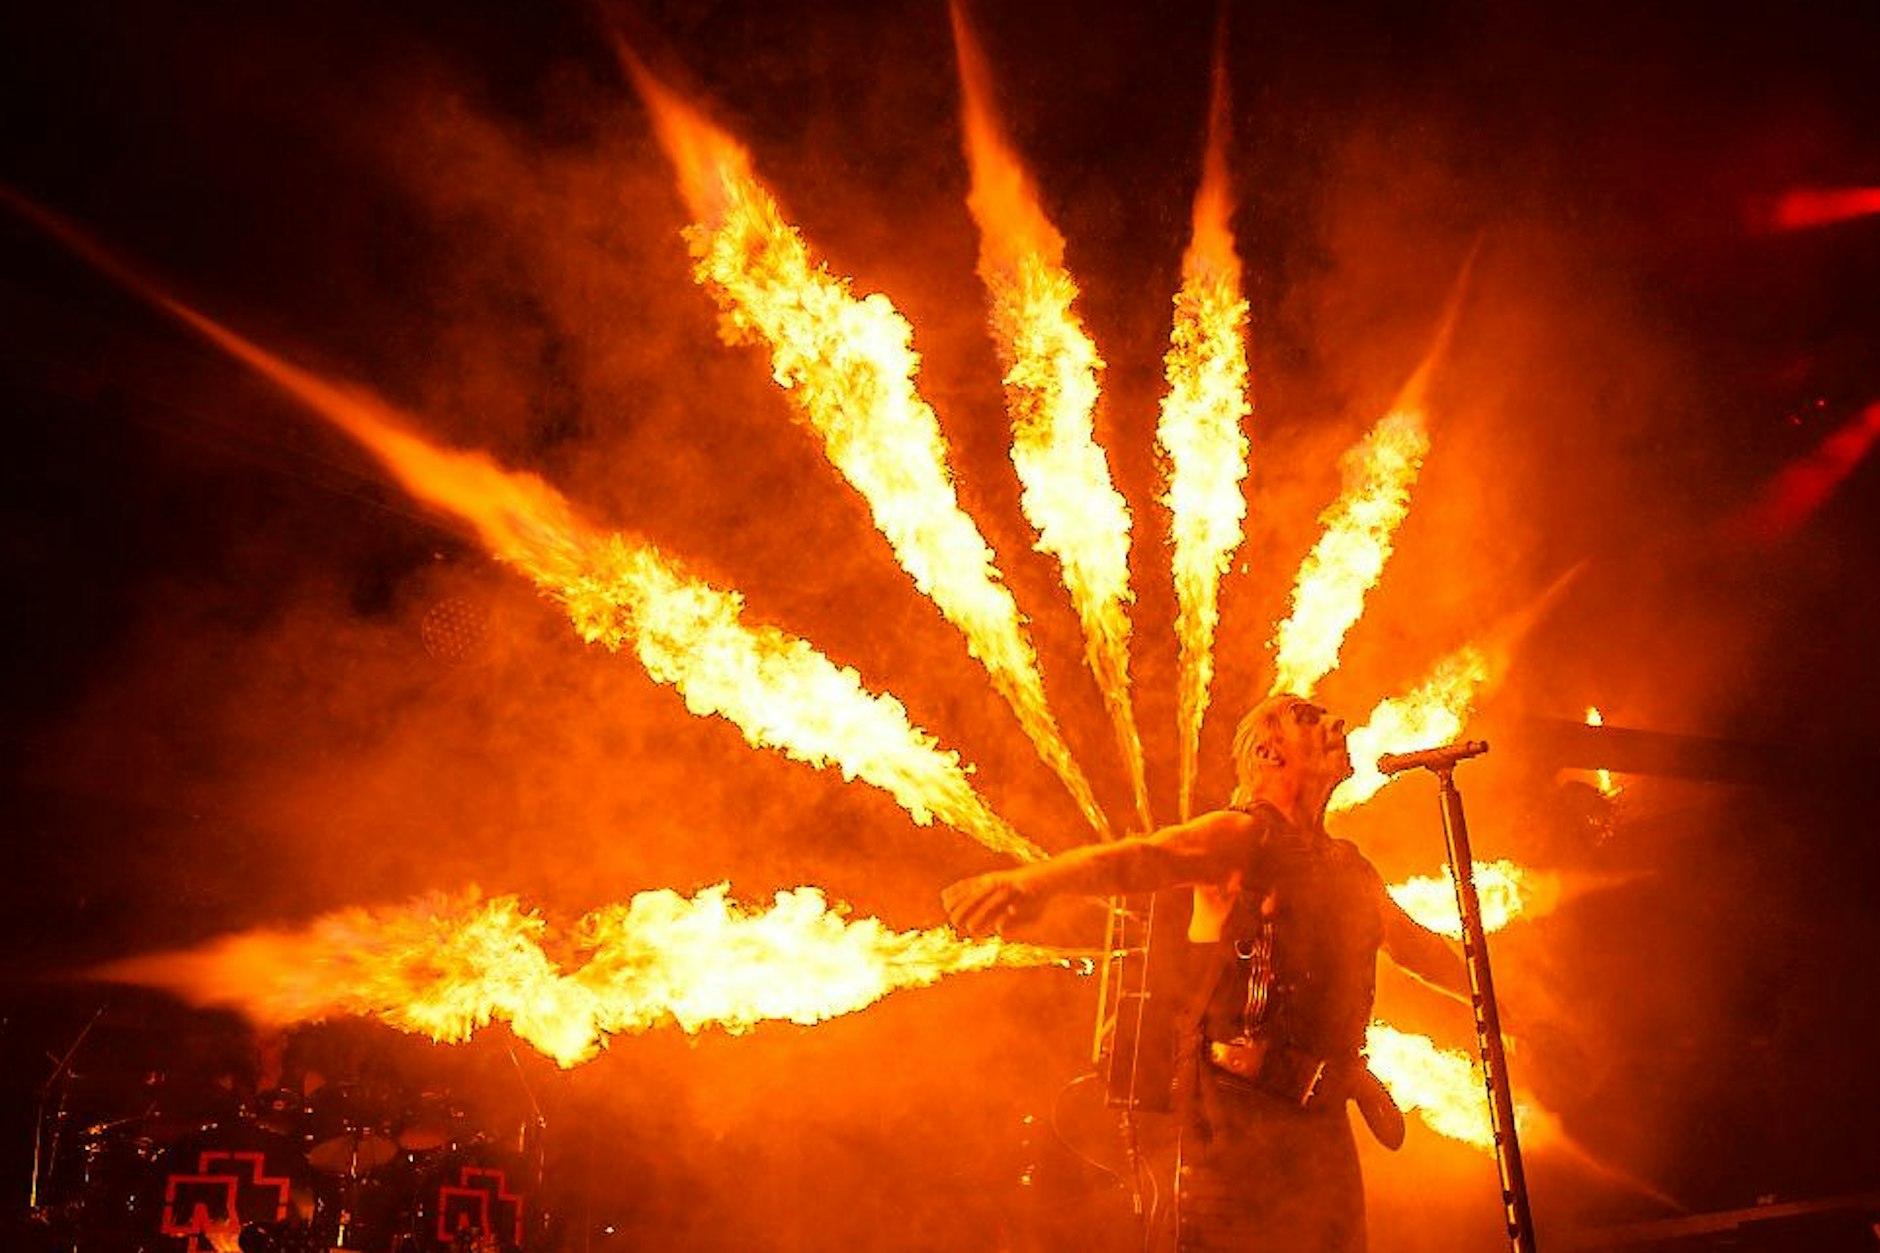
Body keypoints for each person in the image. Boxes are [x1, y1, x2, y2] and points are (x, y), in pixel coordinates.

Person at [944, 693, 1476, 1252]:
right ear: (1269, 752)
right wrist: (1032, 883)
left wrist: (1508, 1011)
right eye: (1308, 717)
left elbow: (1419, 949)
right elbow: (1143, 858)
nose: (1336, 721)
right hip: (1234, 1130)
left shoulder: (1350, 867)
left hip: (1322, 1131)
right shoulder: (1244, 836)